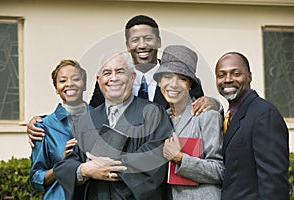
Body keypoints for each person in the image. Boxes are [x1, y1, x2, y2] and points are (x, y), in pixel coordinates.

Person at [26, 15, 220, 147]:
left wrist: (215, 104)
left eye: (148, 38)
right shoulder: (112, 80)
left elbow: (199, 116)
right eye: (135, 40)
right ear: (127, 45)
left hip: (171, 166)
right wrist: (44, 121)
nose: (142, 45)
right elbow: (90, 114)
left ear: (159, 42)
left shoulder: (179, 79)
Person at [53, 51, 173, 200]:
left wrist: (105, 167)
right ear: (99, 80)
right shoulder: (84, 122)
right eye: (107, 73)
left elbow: (155, 157)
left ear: (132, 77)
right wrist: (84, 170)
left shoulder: (153, 114)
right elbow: (69, 162)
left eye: (120, 71)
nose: (113, 78)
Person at [215, 52, 289, 199]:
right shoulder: (227, 116)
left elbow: (274, 182)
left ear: (249, 76)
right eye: (221, 75)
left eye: (236, 73)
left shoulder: (264, 114)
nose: (228, 80)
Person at [154, 45, 224, 200]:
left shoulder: (207, 115)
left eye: (182, 78)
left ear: (190, 84)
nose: (173, 84)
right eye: (167, 77)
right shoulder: (160, 119)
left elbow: (219, 170)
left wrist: (180, 158)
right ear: (159, 82)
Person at [30, 60, 92, 199]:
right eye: (63, 80)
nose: (69, 84)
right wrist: (62, 166)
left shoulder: (102, 119)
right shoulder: (43, 126)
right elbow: (36, 178)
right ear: (56, 88)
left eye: (76, 79)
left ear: (85, 85)